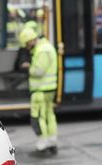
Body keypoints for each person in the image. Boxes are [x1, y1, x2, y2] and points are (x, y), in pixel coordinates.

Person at [18, 26, 60, 155]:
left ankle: (43, 145)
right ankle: (52, 142)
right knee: (49, 115)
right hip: (49, 89)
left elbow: (39, 71)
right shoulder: (46, 47)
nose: (27, 47)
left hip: (40, 90)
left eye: (26, 44)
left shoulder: (42, 50)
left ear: (30, 40)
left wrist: (28, 67)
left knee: (39, 117)